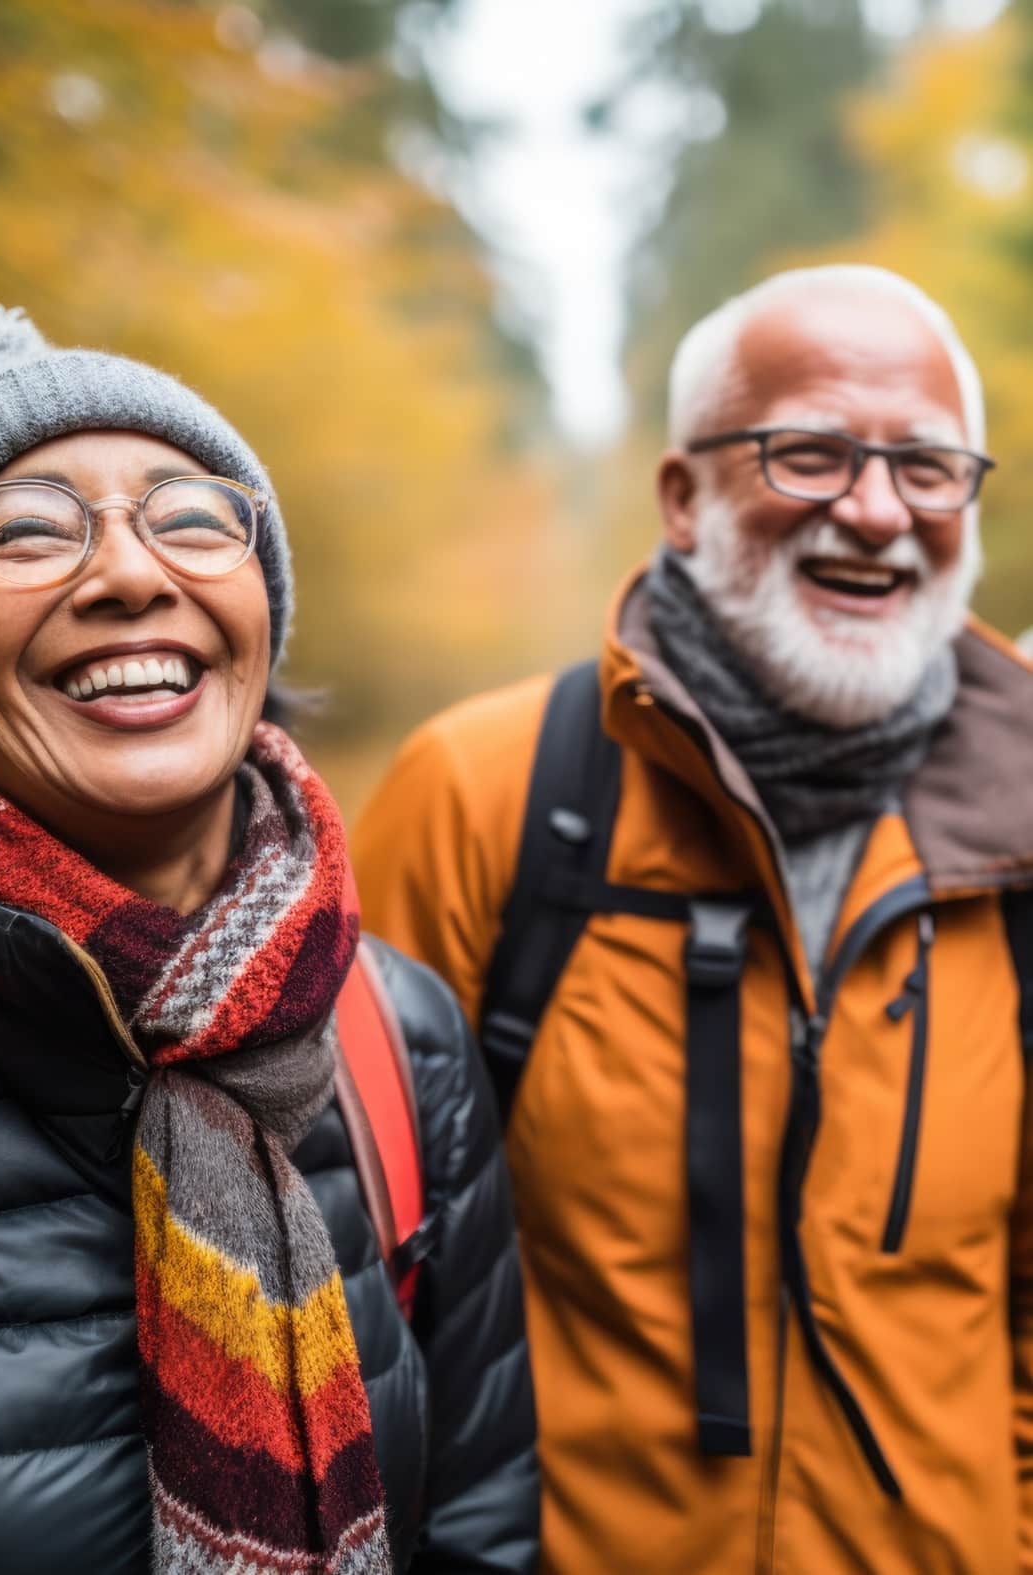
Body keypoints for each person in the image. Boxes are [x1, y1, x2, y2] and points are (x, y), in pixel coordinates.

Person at [0, 307, 538, 1573]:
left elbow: (476, 1529)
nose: (133, 575)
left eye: (191, 517)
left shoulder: (398, 1039)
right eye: (28, 530)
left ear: (260, 620)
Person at [354, 264, 1033, 1573]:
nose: (876, 509)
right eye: (810, 453)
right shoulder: (489, 796)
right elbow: (351, 1280)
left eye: (928, 465)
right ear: (681, 497)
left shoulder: (1021, 834)